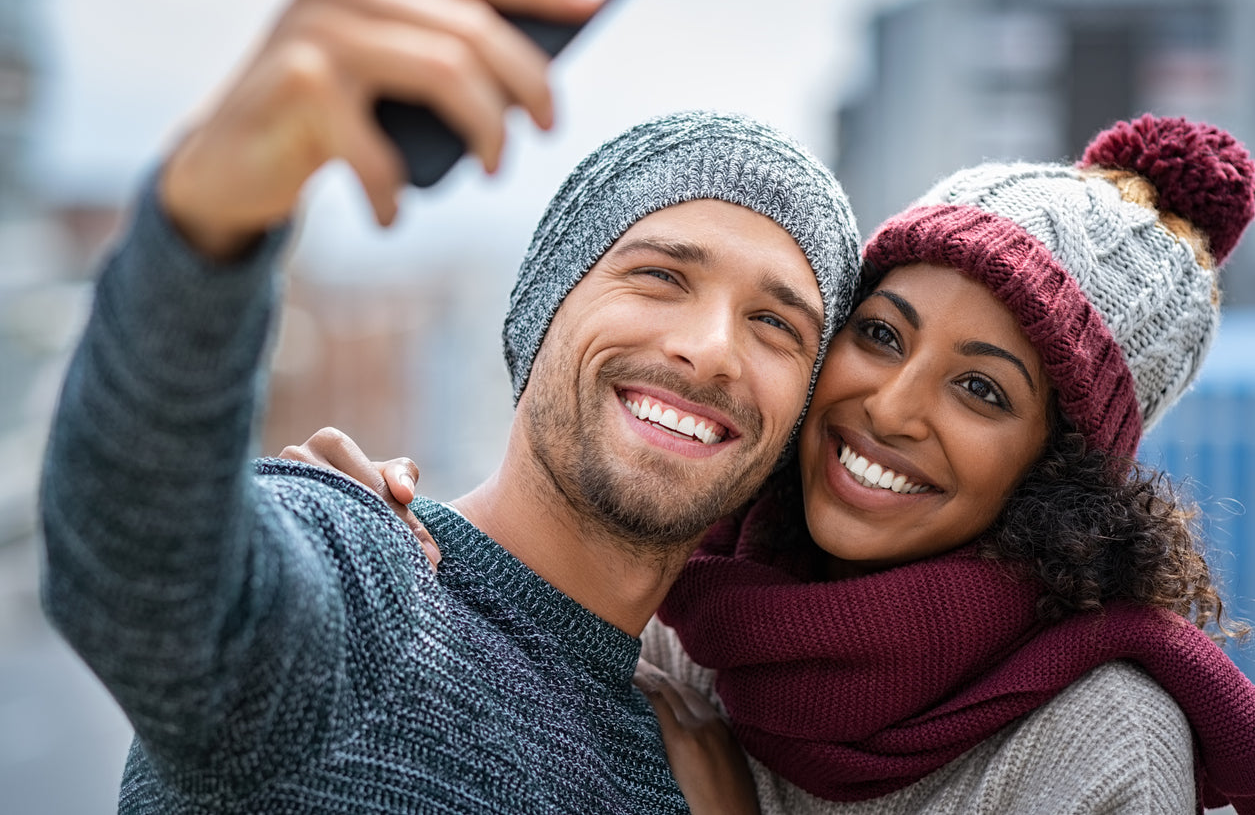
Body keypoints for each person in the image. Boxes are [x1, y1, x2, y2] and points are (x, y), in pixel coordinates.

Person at [36, 0, 862, 812]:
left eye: (774, 325)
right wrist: (211, 210)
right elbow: (137, 569)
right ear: (543, 309)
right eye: (658, 275)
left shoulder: (707, 756)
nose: (712, 347)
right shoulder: (362, 576)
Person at [306, 114, 1255, 814]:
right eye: (880, 334)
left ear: (1055, 476)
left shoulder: (1103, 739)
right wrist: (369, 545)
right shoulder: (694, 619)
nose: (889, 407)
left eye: (982, 391)